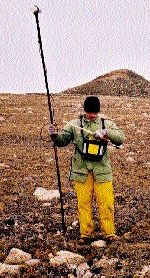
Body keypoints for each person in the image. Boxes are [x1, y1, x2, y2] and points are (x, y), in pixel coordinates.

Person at [48, 96, 125, 244]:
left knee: (106, 202)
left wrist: (106, 133)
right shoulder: (74, 125)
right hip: (81, 171)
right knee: (83, 203)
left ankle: (109, 233)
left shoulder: (106, 124)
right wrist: (54, 135)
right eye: (89, 112)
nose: (92, 115)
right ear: (84, 110)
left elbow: (120, 137)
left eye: (95, 112)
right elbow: (62, 141)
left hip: (102, 171)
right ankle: (86, 234)